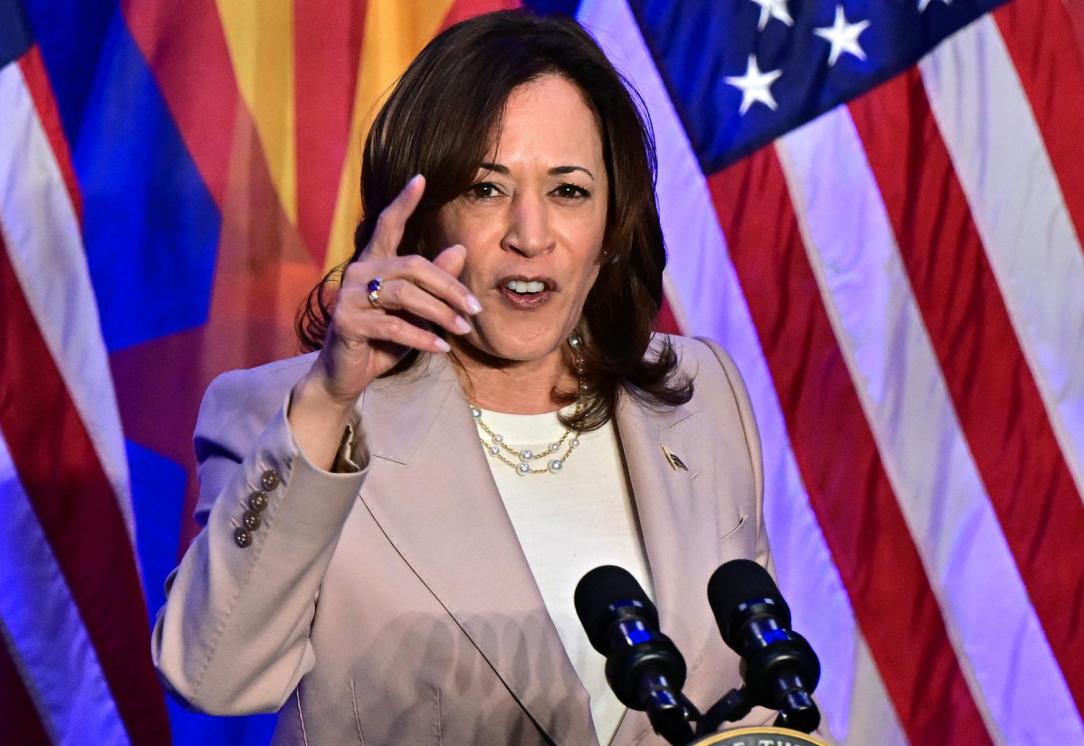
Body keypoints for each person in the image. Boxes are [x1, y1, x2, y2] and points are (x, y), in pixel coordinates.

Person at [152, 10, 772, 745]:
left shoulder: (699, 392)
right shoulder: (291, 416)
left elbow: (753, 692)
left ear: (612, 228)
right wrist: (330, 398)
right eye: (486, 189)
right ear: (422, 219)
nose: (530, 235)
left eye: (569, 191)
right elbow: (212, 676)